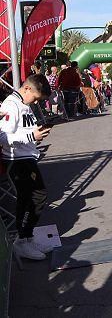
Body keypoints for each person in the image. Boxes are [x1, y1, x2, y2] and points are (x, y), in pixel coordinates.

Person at [0, 74, 53, 260]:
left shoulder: (24, 104)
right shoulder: (11, 105)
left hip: (26, 157)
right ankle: (22, 241)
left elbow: (22, 130)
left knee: (34, 198)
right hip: (17, 160)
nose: (36, 102)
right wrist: (32, 137)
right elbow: (3, 138)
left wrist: (36, 132)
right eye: (36, 98)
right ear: (27, 88)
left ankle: (27, 239)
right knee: (34, 198)